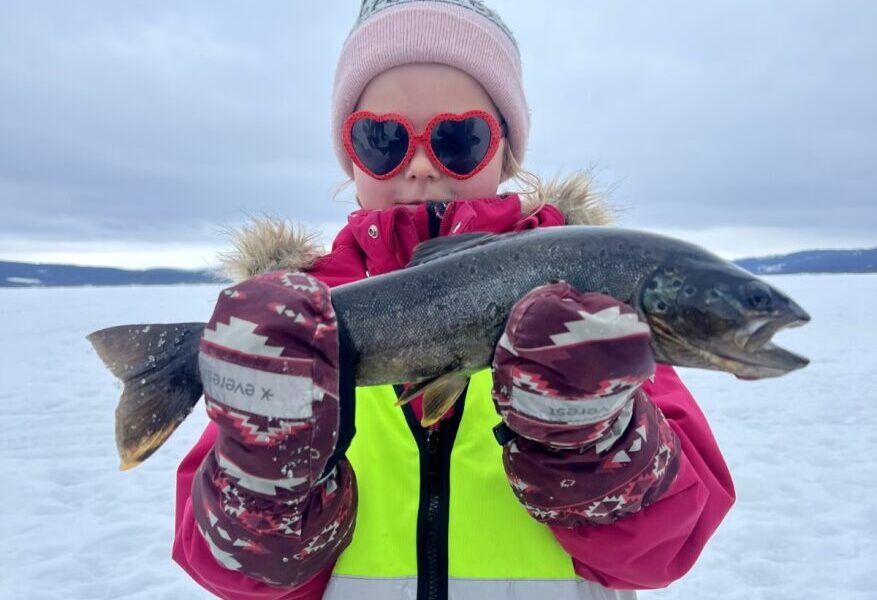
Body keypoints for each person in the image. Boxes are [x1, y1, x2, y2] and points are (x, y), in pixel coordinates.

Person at [173, 2, 735, 599]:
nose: (419, 165)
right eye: (383, 139)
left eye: (458, 139)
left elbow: (668, 549)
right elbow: (227, 572)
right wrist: (264, 477)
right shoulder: (290, 332)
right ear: (351, 156)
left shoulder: (593, 313)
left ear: (505, 152)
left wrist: (600, 441)